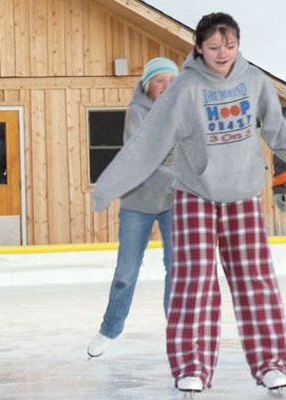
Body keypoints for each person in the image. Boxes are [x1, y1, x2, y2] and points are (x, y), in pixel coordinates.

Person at [92, 12, 286, 394]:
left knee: (255, 281)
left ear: (238, 44)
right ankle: (192, 366)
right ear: (198, 48)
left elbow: (275, 126)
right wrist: (110, 185)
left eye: (230, 45)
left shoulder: (254, 80)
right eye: (213, 47)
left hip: (241, 192)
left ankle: (270, 363)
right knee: (193, 282)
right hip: (194, 195)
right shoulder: (184, 89)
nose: (222, 53)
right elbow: (147, 145)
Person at [86, 57, 179, 359]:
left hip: (174, 203)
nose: (166, 86)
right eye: (159, 80)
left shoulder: (185, 112)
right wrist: (173, 162)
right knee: (126, 271)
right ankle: (110, 329)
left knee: (177, 268)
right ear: (147, 86)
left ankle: (178, 332)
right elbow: (142, 157)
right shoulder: (136, 113)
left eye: (171, 80)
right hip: (137, 202)